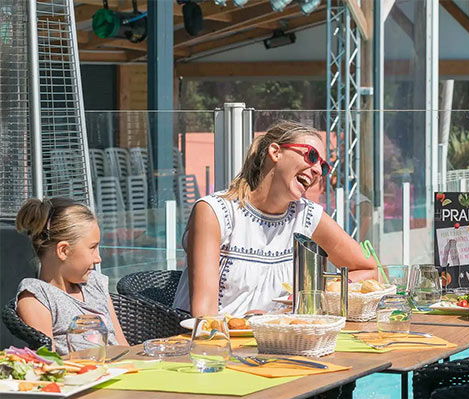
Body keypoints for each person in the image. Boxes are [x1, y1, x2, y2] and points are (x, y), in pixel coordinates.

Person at [173, 121, 377, 317]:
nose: (316, 171)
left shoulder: (306, 216)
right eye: (311, 156)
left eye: (323, 167)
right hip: (212, 344)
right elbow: (203, 314)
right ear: (275, 152)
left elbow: (369, 269)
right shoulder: (215, 212)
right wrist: (248, 323)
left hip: (276, 341)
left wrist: (317, 290)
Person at [14, 198, 129, 355]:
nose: (98, 258)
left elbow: (123, 345)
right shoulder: (37, 297)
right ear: (63, 251)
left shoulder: (95, 283)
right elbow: (49, 363)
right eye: (92, 248)